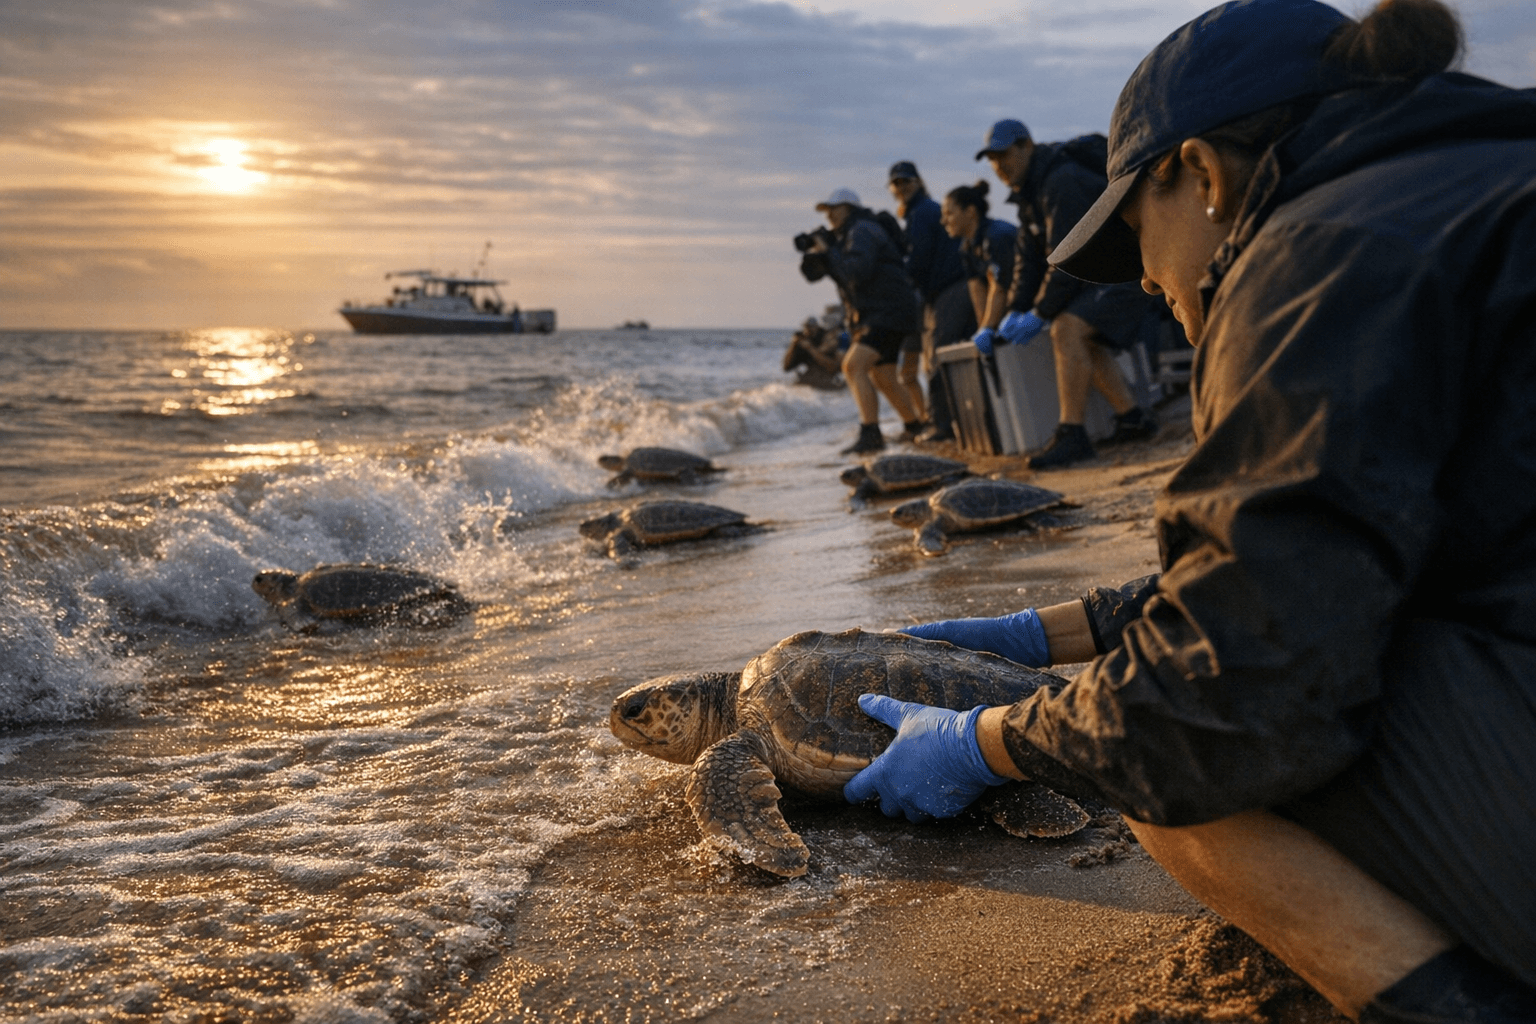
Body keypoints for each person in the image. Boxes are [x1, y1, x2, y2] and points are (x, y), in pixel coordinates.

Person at [844, 1, 1536, 1020]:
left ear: (1201, 174)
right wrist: (1043, 633)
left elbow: (1230, 686)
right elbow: (1335, 554)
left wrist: (986, 740)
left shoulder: (1321, 251)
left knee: (1167, 763)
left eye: (1136, 236)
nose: (1148, 282)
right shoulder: (1466, 189)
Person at [977, 119, 1162, 468]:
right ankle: (1132, 418)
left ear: (1027, 146)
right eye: (992, 159)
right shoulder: (1030, 195)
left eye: (1004, 155)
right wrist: (1013, 310)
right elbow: (1028, 262)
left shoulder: (1062, 181)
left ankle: (1072, 434)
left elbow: (1065, 258)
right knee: (1082, 336)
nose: (998, 165)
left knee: (1066, 328)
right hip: (1099, 275)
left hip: (1130, 269)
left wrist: (1039, 313)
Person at [800, 187, 924, 454]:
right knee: (883, 375)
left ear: (848, 208)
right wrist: (821, 254)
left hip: (886, 311)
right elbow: (821, 274)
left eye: (833, 209)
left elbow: (856, 271)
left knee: (853, 366)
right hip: (889, 311)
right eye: (826, 211)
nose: (829, 216)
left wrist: (830, 251)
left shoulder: (862, 231)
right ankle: (915, 427)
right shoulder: (852, 234)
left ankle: (871, 435)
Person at [888, 161, 975, 443]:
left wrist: (899, 278)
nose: (901, 187)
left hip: (948, 289)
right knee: (950, 357)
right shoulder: (922, 210)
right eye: (896, 183)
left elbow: (919, 259)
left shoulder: (922, 212)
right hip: (951, 288)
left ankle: (942, 426)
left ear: (917, 182)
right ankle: (958, 421)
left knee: (938, 358)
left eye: (906, 181)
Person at [939, 180, 1017, 361]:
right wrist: (983, 330)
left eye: (949, 213)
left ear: (971, 211)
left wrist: (989, 327)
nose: (943, 221)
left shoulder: (998, 236)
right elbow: (977, 291)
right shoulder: (967, 247)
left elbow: (999, 287)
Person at [782, 317, 845, 390]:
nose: (808, 330)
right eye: (806, 328)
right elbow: (786, 367)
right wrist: (793, 345)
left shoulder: (826, 338)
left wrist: (810, 348)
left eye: (811, 327)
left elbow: (832, 366)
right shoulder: (803, 340)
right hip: (813, 378)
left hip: (829, 377)